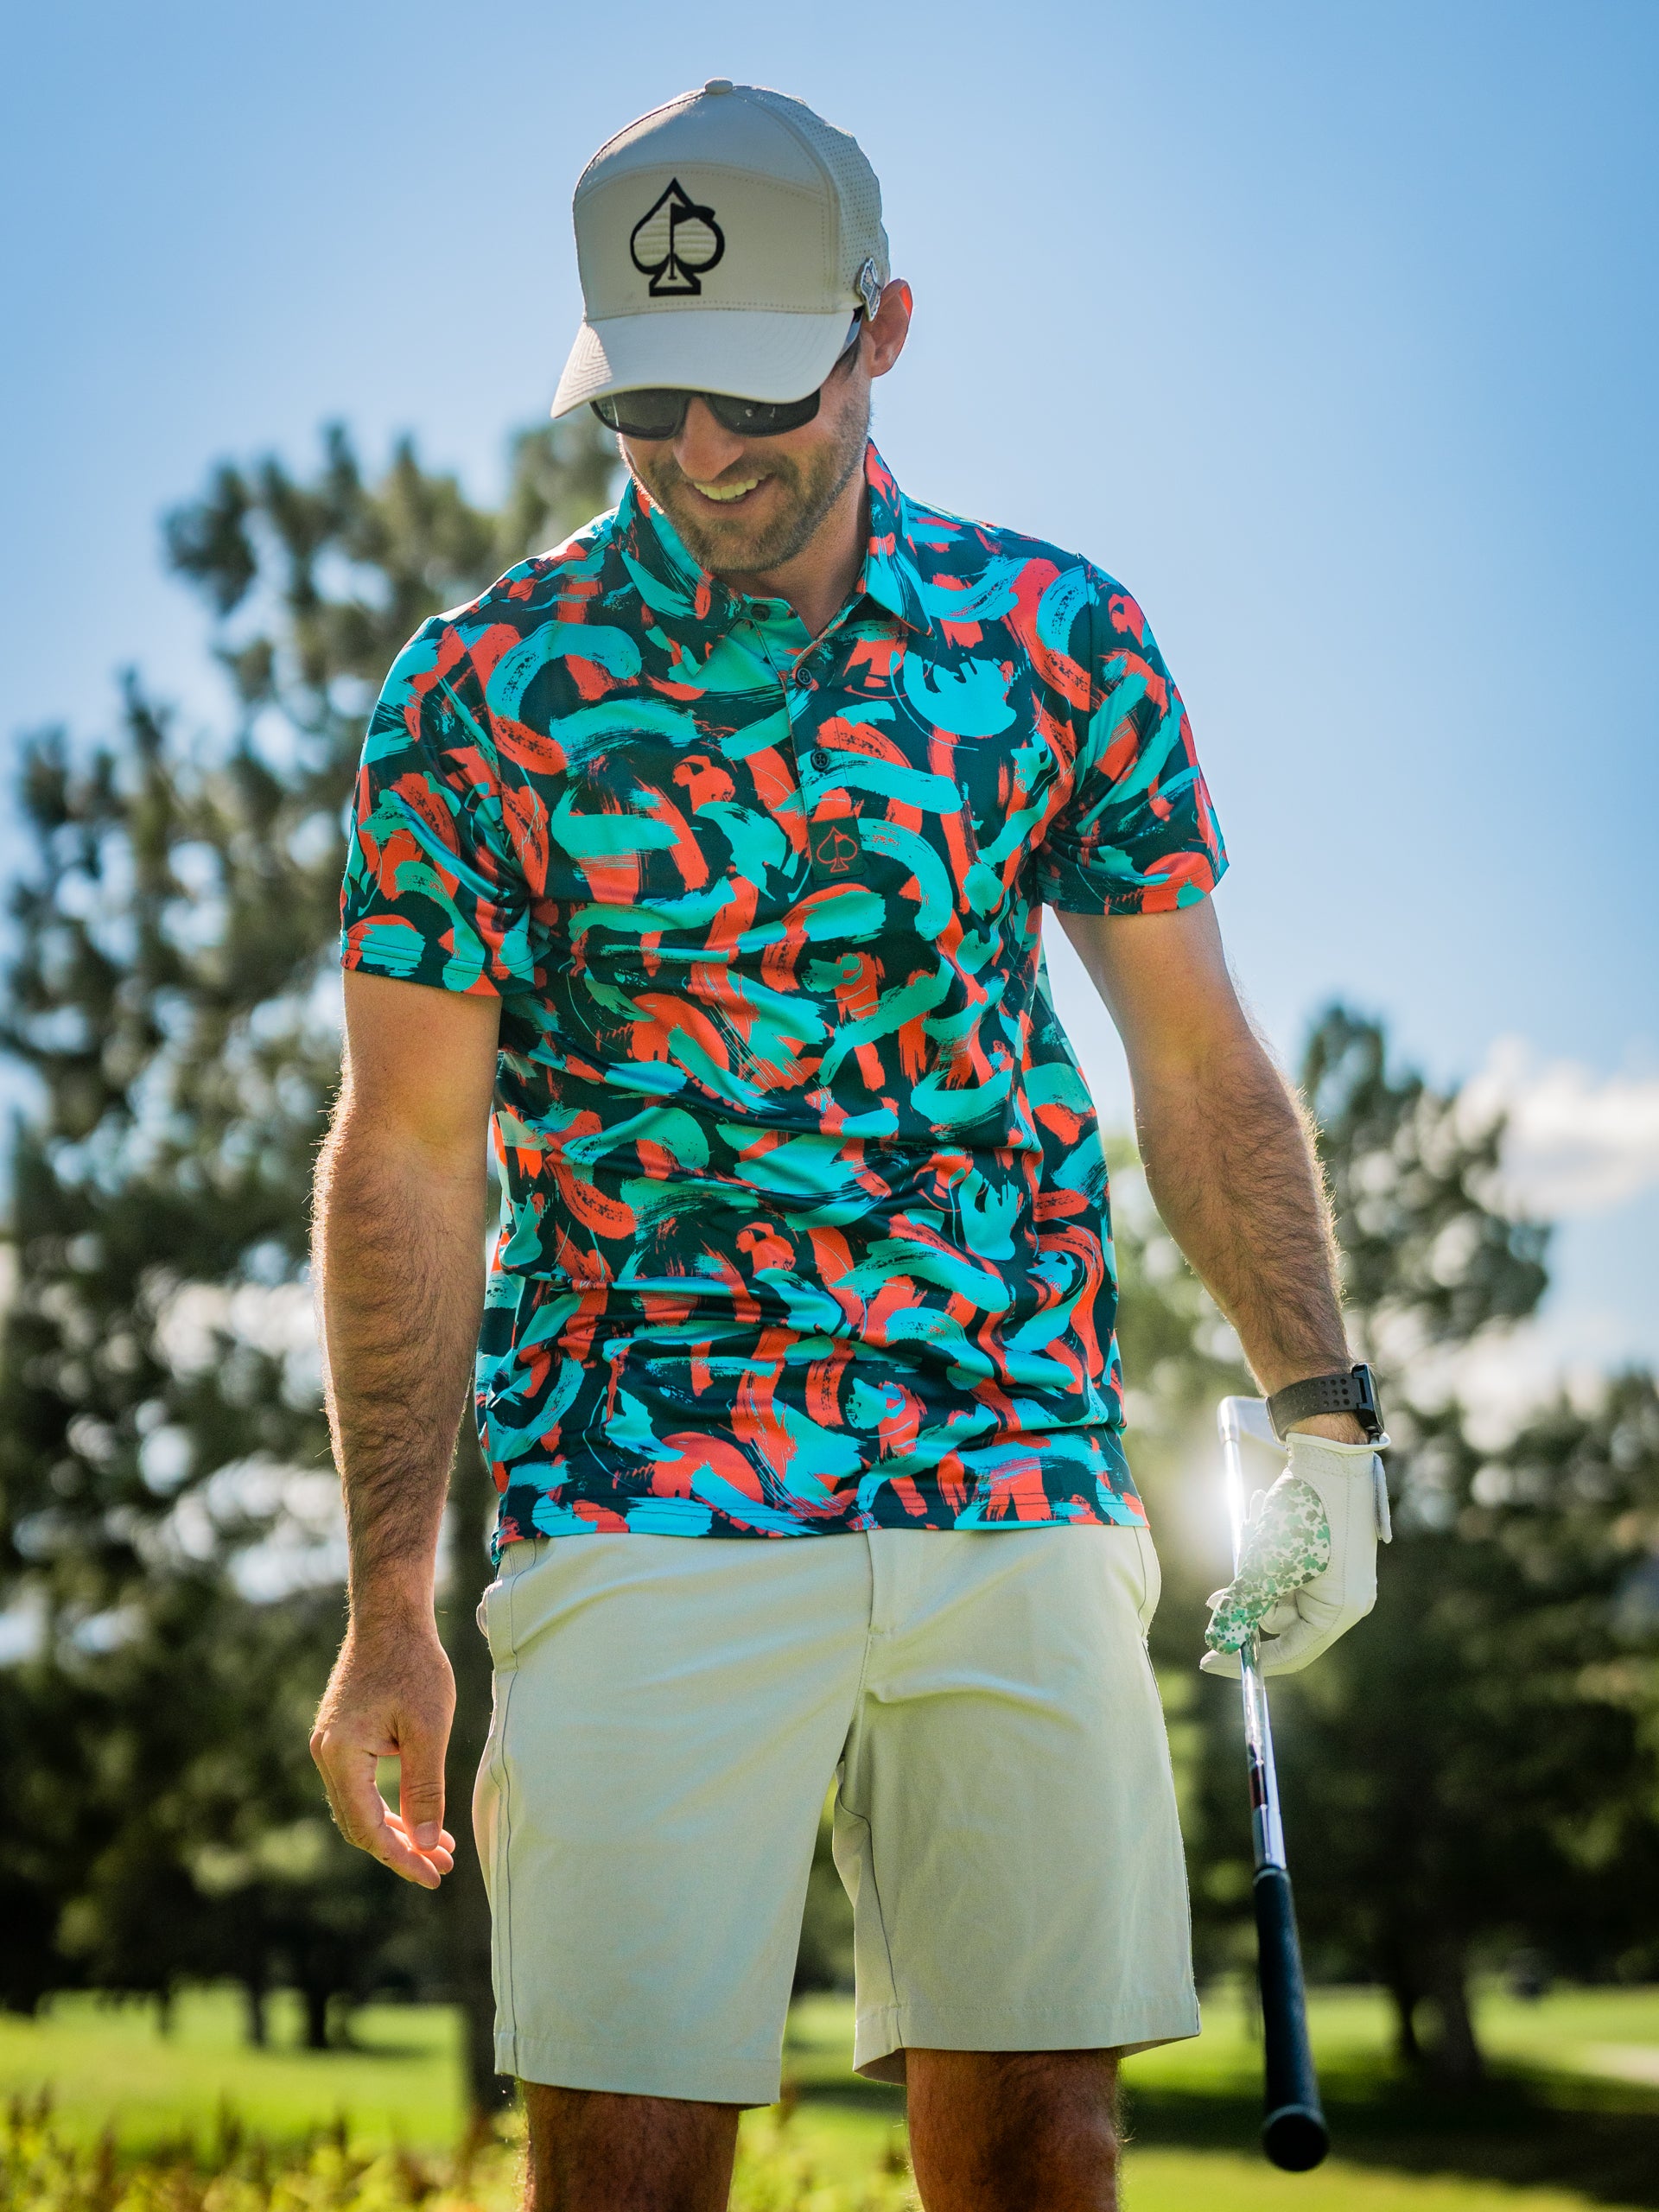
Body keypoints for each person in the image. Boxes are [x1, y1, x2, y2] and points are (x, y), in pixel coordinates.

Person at [308, 79, 1388, 2212]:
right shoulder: (478, 694)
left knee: (1043, 2151)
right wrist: (384, 1604)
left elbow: (1194, 1060)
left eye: (753, 395)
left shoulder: (1057, 640)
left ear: (882, 332)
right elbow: (410, 1148)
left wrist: (1328, 1417)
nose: (700, 456)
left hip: (1009, 1450)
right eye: (647, 403)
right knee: (619, 2157)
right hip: (646, 1473)